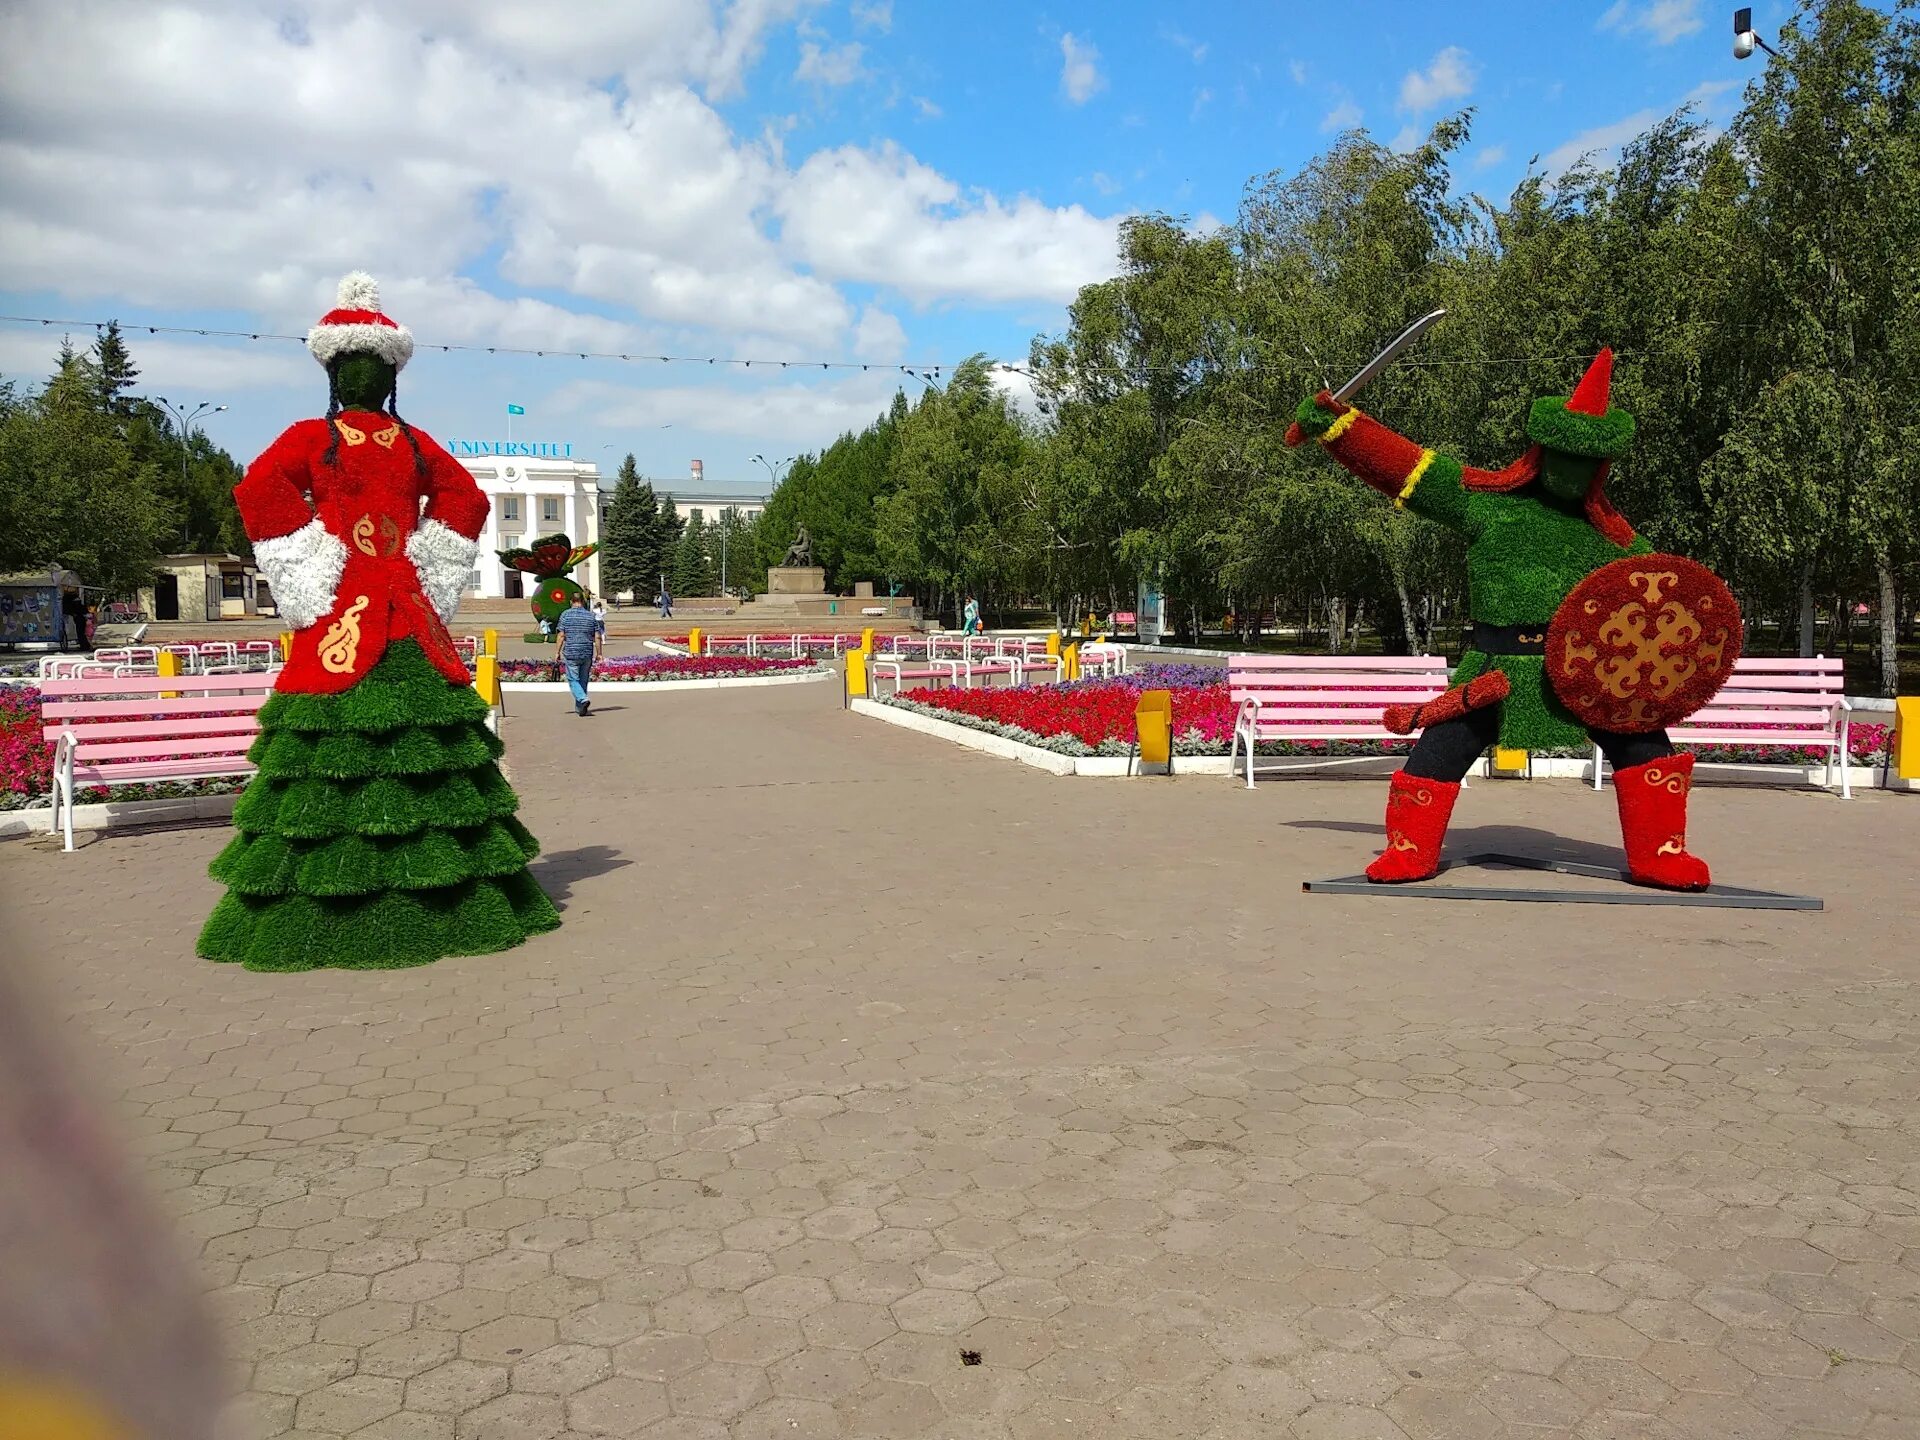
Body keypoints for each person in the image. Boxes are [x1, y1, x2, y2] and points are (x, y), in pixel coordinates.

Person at [197, 272, 559, 970]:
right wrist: (322, 561)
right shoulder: (364, 441)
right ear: (340, 369)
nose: (364, 375)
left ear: (382, 371)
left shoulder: (373, 442)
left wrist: (372, 560)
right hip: (367, 601)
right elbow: (460, 500)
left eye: (373, 364)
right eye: (356, 364)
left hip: (379, 602)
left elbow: (462, 498)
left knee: (386, 753)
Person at [1288, 348, 1719, 891]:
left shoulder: (1620, 542)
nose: (1572, 469)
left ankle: (1660, 855)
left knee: (1646, 748)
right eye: (1563, 453)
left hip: (1590, 673)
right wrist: (1339, 428)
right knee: (1439, 751)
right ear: (1542, 450)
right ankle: (1409, 851)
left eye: (1586, 460)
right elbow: (1408, 467)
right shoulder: (1486, 504)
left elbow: (1664, 610)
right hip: (1494, 669)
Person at [555, 591, 603, 715]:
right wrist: (599, 653)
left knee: (573, 679)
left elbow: (561, 635)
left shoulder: (565, 615)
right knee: (583, 679)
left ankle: (583, 699)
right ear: (583, 601)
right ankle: (580, 708)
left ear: (571, 601)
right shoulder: (590, 616)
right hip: (587, 651)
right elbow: (597, 636)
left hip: (571, 652)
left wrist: (557, 652)